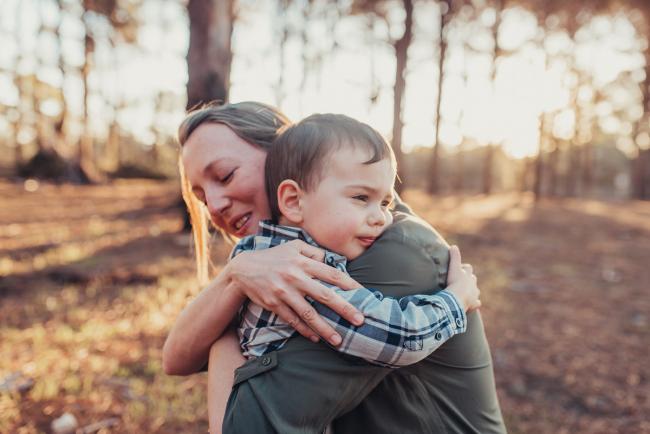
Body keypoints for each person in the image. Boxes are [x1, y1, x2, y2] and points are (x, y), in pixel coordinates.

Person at [164, 101, 506, 433]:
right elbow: (175, 359)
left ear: (283, 151)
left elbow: (250, 425)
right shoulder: (277, 254)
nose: (215, 205)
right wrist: (237, 274)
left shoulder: (392, 251)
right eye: (201, 197)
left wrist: (224, 341)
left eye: (224, 176)